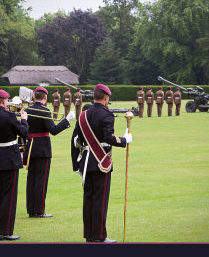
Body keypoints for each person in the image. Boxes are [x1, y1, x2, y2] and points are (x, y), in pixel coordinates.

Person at [71, 84, 131, 243]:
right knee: (100, 200)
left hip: (85, 163)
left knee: (88, 199)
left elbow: (75, 141)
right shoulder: (107, 115)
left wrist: (76, 165)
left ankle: (89, 235)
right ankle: (99, 236)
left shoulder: (83, 115)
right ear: (105, 98)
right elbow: (108, 137)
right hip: (100, 162)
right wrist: (124, 140)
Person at [0, 89, 29, 241]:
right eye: (7, 100)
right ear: (3, 101)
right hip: (10, 158)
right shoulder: (8, 116)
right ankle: (6, 231)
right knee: (9, 197)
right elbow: (24, 132)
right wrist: (24, 119)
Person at [23, 87, 75, 218]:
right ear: (45, 98)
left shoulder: (27, 110)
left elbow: (23, 130)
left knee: (31, 180)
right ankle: (39, 211)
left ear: (34, 96)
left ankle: (31, 210)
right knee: (41, 180)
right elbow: (54, 130)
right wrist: (67, 120)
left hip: (30, 147)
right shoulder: (45, 111)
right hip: (42, 148)